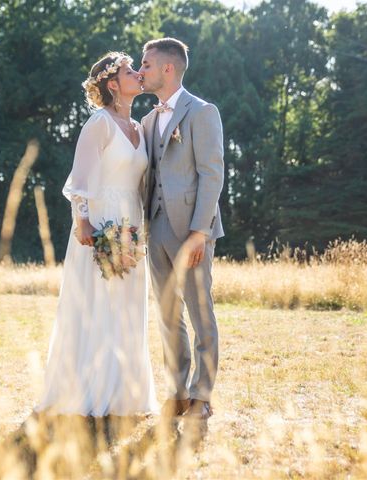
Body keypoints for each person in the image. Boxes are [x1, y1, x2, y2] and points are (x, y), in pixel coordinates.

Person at [35, 52, 158, 417]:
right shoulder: (99, 123)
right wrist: (83, 222)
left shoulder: (140, 128)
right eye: (128, 70)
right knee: (99, 302)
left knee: (127, 304)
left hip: (131, 224)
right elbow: (81, 180)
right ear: (112, 84)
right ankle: (87, 389)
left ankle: (126, 393)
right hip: (102, 222)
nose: (137, 73)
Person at [138, 38, 225, 421]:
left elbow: (212, 173)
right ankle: (176, 392)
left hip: (191, 230)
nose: (141, 72)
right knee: (168, 315)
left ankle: (202, 396)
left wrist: (199, 232)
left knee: (200, 312)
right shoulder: (147, 120)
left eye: (146, 65)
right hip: (155, 229)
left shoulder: (202, 112)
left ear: (168, 68)